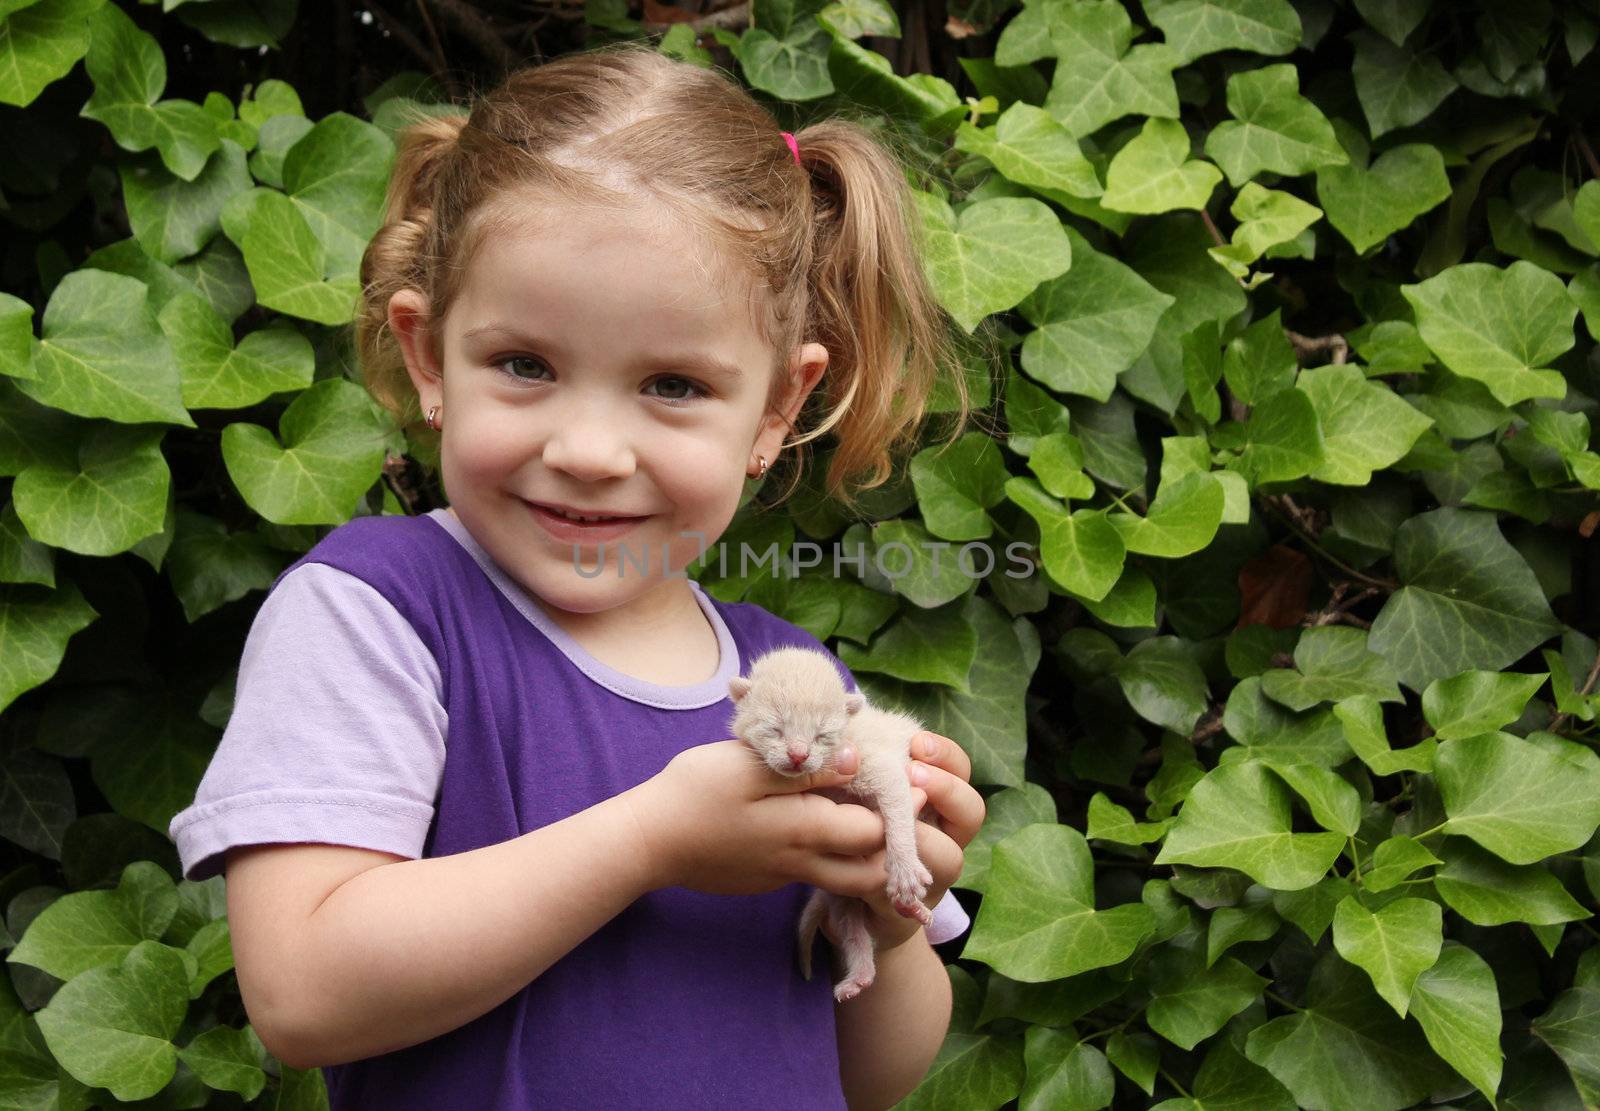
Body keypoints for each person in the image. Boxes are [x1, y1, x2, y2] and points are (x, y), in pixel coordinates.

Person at [169, 39, 988, 1111]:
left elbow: (870, 1076)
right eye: (525, 365)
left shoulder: (786, 685)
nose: (592, 449)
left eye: (673, 384)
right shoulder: (380, 611)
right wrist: (654, 839)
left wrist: (885, 908)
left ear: (776, 411)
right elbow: (303, 991)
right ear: (429, 359)